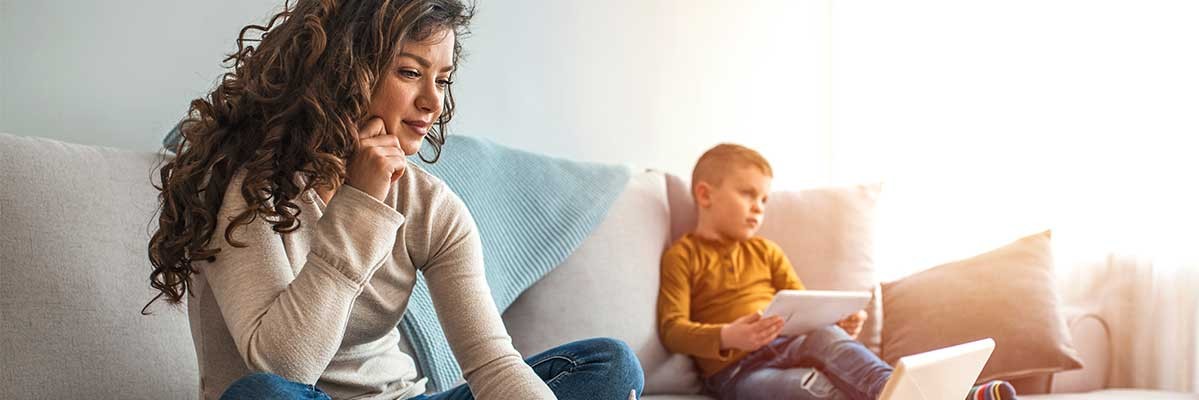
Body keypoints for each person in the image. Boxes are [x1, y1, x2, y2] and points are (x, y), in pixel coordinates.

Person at [144, 1, 642, 399]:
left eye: (442, 78)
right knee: (262, 395)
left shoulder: (432, 207)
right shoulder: (249, 186)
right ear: (346, 70)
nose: (433, 101)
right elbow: (284, 365)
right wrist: (360, 203)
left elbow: (491, 365)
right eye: (410, 72)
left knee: (610, 367)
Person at [656, 144, 1016, 400]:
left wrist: (833, 321)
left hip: (790, 343)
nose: (758, 208)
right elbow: (672, 329)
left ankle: (933, 396)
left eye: (764, 199)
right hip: (737, 374)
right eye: (748, 194)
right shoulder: (683, 256)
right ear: (705, 196)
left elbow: (800, 305)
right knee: (809, 388)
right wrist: (727, 336)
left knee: (829, 337)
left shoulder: (766, 252)